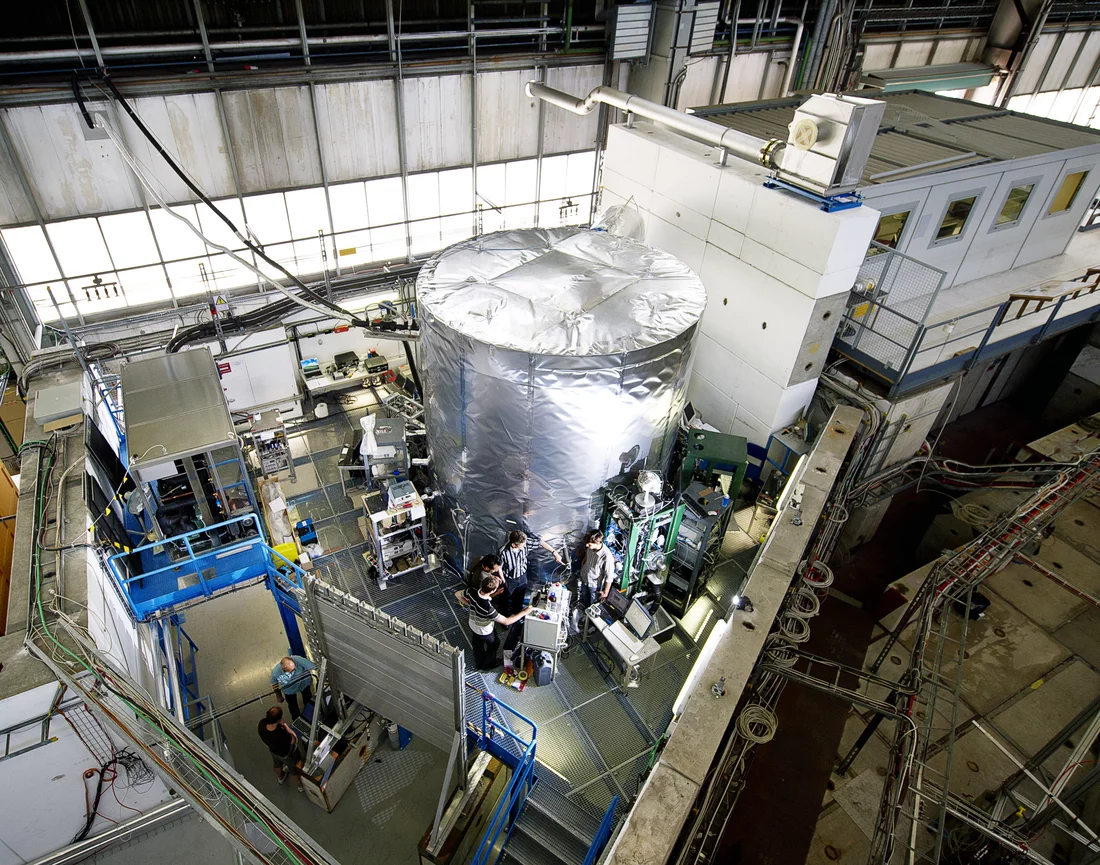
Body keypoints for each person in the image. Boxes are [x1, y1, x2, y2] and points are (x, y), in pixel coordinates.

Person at [456, 574, 534, 672]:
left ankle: (479, 663)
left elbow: (457, 594)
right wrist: (524, 612)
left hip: (473, 623)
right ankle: (488, 664)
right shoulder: (488, 609)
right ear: (492, 590)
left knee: (477, 643)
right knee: (494, 644)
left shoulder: (472, 591)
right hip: (484, 630)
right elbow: (506, 621)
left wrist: (470, 604)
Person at [257, 706, 304, 792]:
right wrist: (285, 725)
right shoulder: (280, 733)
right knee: (293, 769)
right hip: (287, 754)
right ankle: (300, 786)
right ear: (279, 719)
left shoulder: (262, 724)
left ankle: (281, 777)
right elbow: (294, 739)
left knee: (277, 764)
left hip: (274, 751)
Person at [578, 529, 617, 608]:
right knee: (585, 598)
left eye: (589, 544)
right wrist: (583, 564)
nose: (587, 546)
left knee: (593, 605)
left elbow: (609, 577)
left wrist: (605, 592)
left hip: (594, 585)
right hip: (585, 578)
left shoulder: (607, 556)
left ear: (597, 542)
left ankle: (589, 620)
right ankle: (584, 614)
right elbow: (586, 556)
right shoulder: (591, 547)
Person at [270, 654, 316, 721]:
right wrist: (278, 695)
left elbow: (313, 666)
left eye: (294, 669)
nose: (293, 672)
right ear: (283, 669)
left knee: (308, 699)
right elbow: (274, 683)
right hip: (289, 690)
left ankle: (310, 716)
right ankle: (297, 720)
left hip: (303, 684)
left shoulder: (298, 659)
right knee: (293, 706)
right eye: (290, 671)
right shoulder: (276, 672)